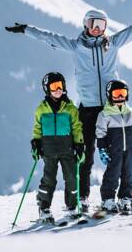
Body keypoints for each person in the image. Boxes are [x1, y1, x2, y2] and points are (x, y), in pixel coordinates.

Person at [6, 7, 132, 211]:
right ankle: (82, 195)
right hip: (88, 110)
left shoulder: (113, 44)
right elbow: (49, 37)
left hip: (112, 108)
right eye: (94, 24)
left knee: (128, 148)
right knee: (85, 154)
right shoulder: (76, 47)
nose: (98, 29)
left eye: (102, 25)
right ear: (86, 24)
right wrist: (26, 29)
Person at [30, 72, 85, 222]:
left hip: (67, 149)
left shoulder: (70, 108)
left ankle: (72, 206)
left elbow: (77, 128)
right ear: (47, 89)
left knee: (71, 178)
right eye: (54, 86)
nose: (58, 89)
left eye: (60, 86)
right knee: (49, 180)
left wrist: (79, 145)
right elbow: (37, 128)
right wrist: (36, 143)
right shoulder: (41, 110)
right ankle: (44, 207)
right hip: (48, 150)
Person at [95, 80, 132, 214]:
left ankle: (125, 198)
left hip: (130, 150)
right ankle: (107, 199)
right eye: (116, 93)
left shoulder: (131, 113)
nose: (120, 97)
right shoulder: (104, 114)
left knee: (129, 175)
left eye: (123, 93)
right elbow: (100, 134)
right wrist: (102, 149)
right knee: (112, 175)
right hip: (114, 151)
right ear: (109, 95)